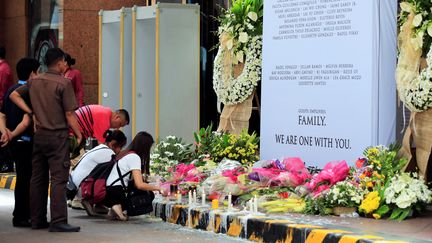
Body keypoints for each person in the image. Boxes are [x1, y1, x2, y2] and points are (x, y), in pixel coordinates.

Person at [14, 48, 82, 232]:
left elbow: (14, 95)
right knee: (59, 179)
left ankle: (37, 220)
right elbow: (69, 113)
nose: (66, 66)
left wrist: (31, 111)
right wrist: (79, 133)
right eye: (65, 63)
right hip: (57, 137)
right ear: (59, 62)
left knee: (38, 179)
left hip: (39, 137)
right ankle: (58, 221)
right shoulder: (63, 83)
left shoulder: (35, 81)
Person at [1, 58, 40, 227]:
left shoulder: (11, 89)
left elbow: (2, 115)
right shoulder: (29, 92)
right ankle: (22, 216)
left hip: (13, 142)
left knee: (22, 179)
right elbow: (26, 121)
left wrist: (5, 132)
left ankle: (21, 215)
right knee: (27, 180)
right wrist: (12, 134)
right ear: (32, 73)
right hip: (25, 141)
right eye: (37, 72)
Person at [102, 131, 163, 221]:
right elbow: (139, 184)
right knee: (148, 194)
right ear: (145, 146)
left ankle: (115, 208)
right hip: (116, 191)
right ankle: (117, 205)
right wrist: (159, 188)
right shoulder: (134, 157)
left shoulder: (125, 153)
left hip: (107, 189)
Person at [67, 130, 127, 212]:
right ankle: (89, 201)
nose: (120, 150)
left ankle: (98, 205)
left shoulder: (99, 148)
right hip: (82, 190)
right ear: (113, 144)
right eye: (120, 146)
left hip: (74, 187)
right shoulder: (109, 153)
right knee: (112, 181)